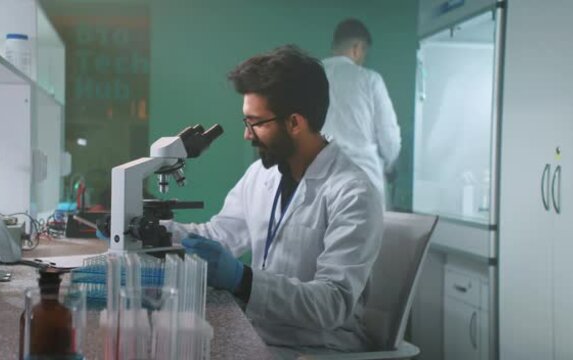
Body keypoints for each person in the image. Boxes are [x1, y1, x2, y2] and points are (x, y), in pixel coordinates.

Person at [166, 45, 384, 357]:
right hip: (258, 336)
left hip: (317, 349)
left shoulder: (353, 193)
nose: (247, 135)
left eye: (255, 123)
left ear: (295, 122)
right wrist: (151, 227)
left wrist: (244, 280)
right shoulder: (261, 175)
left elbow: (333, 302)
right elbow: (219, 238)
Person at [320, 18, 401, 208]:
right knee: (363, 237)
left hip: (317, 180)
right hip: (362, 180)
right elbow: (389, 138)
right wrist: (389, 163)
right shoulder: (370, 80)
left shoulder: (309, 77)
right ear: (357, 48)